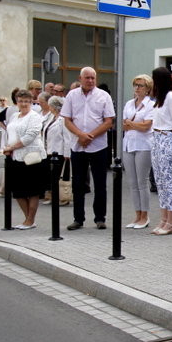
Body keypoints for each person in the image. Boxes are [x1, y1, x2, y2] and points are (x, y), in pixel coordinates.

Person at [61, 66, 115, 230]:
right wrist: (80, 135)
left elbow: (108, 121)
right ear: (80, 78)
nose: (90, 81)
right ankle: (78, 218)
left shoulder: (103, 96)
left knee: (100, 184)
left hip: (98, 146)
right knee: (78, 184)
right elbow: (67, 120)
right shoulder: (72, 95)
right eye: (87, 78)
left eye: (93, 78)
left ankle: (100, 218)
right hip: (78, 146)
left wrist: (89, 136)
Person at [2, 89, 47, 229]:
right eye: (21, 101)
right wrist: (8, 147)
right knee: (17, 191)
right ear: (17, 102)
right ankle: (28, 219)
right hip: (15, 157)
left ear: (31, 102)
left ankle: (30, 220)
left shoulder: (35, 117)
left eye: (26, 101)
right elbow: (10, 133)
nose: (23, 104)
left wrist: (12, 147)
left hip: (31, 157)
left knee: (32, 191)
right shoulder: (14, 116)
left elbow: (30, 136)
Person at [149, 67, 172, 235]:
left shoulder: (170, 97)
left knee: (167, 181)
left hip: (166, 137)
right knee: (159, 181)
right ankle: (163, 219)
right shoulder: (159, 98)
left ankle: (171, 221)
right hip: (156, 138)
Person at [121, 74, 155, 229]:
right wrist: (135, 124)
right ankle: (137, 214)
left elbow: (146, 126)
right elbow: (123, 125)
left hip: (143, 145)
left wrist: (131, 124)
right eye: (135, 85)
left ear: (147, 88)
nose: (137, 88)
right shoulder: (129, 104)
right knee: (132, 182)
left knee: (142, 181)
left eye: (141, 85)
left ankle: (145, 216)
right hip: (128, 144)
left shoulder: (151, 105)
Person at [42, 96, 73, 207]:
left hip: (59, 152)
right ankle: (52, 196)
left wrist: (67, 154)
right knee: (51, 175)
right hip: (49, 150)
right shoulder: (51, 117)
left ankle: (62, 197)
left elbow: (67, 137)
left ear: (54, 107)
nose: (48, 107)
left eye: (50, 105)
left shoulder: (63, 119)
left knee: (59, 176)